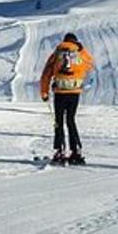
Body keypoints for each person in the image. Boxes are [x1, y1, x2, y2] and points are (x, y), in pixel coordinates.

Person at [40, 32, 95, 165]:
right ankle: (76, 151)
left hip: (60, 92)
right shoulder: (80, 53)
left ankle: (60, 151)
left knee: (59, 121)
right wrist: (82, 49)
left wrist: (44, 93)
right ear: (75, 42)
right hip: (74, 92)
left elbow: (46, 73)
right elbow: (90, 64)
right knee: (71, 120)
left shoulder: (57, 53)